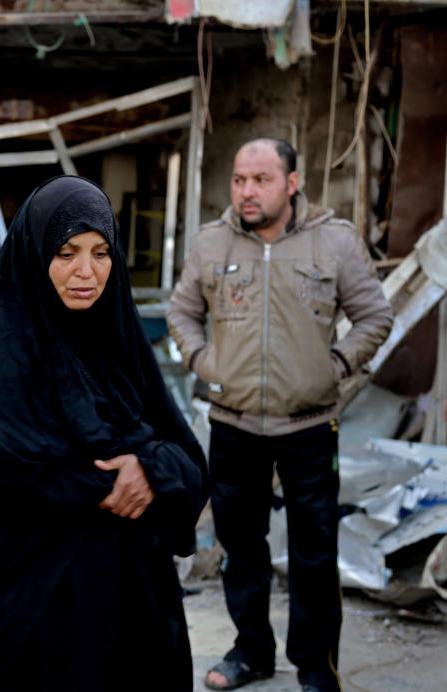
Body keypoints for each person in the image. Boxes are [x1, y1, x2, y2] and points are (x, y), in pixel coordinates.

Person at [0, 175, 209, 691]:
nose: (86, 273)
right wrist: (127, 476)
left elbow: (187, 456)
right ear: (35, 254)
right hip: (24, 623)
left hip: (124, 617)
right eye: (67, 252)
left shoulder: (119, 345)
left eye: (100, 253)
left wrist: (150, 468)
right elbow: (7, 474)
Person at [167, 137, 393, 692]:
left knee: (315, 554)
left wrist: (334, 364)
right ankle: (252, 651)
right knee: (242, 550)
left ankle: (317, 669)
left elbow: (374, 317)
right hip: (233, 424)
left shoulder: (334, 243)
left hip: (310, 426)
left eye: (261, 179)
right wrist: (204, 359)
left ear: (291, 183)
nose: (247, 190)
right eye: (240, 180)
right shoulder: (211, 243)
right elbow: (181, 311)